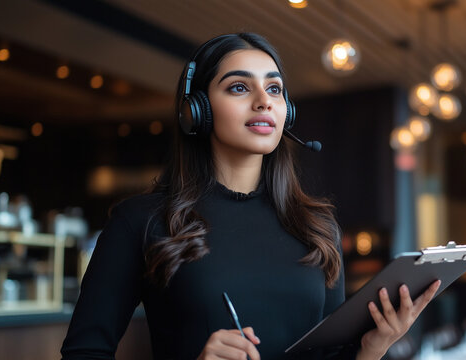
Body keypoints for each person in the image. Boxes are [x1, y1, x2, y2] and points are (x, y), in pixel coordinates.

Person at [60, 33, 441, 360]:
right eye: (239, 87)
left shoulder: (318, 226)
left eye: (274, 88)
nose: (264, 101)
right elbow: (83, 353)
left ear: (286, 112)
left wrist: (371, 349)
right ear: (198, 110)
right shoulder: (140, 221)